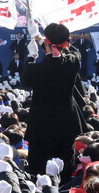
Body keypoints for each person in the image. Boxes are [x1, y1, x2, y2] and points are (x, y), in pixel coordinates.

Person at [24, 23, 82, 174]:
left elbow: (25, 80)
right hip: (66, 124)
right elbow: (74, 51)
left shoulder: (35, 69)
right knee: (65, 169)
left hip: (41, 127)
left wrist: (31, 56)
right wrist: (41, 38)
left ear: (47, 44)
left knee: (38, 169)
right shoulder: (73, 62)